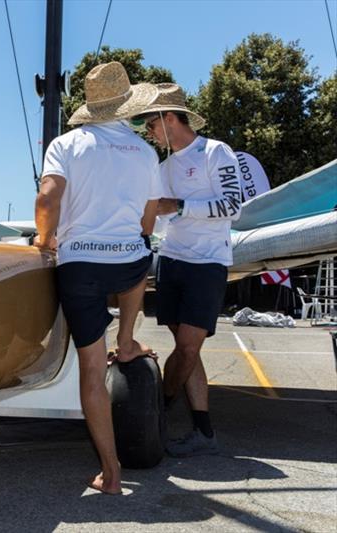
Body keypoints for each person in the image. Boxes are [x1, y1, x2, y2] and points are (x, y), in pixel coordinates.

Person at [34, 62, 161, 495]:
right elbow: (147, 222)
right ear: (126, 105)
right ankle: (127, 338)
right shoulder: (146, 152)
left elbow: (48, 197)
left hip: (80, 266)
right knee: (140, 262)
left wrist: (45, 239)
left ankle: (111, 472)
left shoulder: (66, 144)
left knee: (92, 368)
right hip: (127, 263)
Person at [135, 83, 241, 457]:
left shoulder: (216, 152)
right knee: (188, 350)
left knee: (188, 346)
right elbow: (153, 215)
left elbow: (233, 205)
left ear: (168, 118)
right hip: (173, 261)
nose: (148, 132)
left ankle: (161, 406)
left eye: (149, 123)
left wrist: (178, 205)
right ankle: (204, 431)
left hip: (208, 262)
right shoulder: (161, 167)